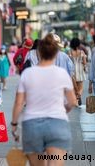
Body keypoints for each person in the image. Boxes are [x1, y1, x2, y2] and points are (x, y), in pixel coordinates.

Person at [11, 33, 76, 166]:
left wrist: (14, 124)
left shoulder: (27, 74)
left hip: (32, 125)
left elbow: (18, 103)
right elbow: (72, 102)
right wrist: (65, 109)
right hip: (57, 123)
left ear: (39, 52)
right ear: (56, 52)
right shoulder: (62, 74)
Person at [69, 38, 87, 106]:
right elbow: (84, 62)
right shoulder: (82, 52)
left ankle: (76, 101)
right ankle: (78, 96)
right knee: (81, 87)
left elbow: (69, 62)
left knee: (74, 87)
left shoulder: (70, 52)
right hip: (80, 70)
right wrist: (85, 68)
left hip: (73, 71)